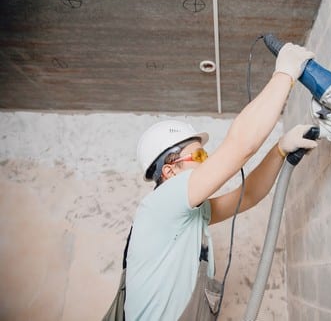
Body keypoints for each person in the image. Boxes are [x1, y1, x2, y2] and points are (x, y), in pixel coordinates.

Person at [124, 43, 317, 320]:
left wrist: (279, 151)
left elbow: (247, 196)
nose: (208, 160)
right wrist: (284, 74)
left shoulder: (190, 216)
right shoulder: (160, 206)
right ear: (169, 171)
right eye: (199, 154)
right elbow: (240, 147)